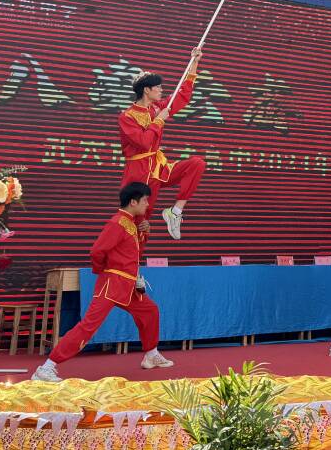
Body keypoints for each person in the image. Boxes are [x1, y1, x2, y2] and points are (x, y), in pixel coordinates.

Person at [33, 183, 171, 382]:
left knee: (150, 311)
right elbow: (97, 251)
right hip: (112, 284)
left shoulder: (130, 223)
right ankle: (46, 367)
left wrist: (145, 233)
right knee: (88, 326)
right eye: (144, 200)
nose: (148, 205)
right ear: (133, 202)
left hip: (127, 285)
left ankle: (151, 354)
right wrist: (103, 271)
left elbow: (132, 252)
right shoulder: (117, 223)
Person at [119, 51, 206, 240]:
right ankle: (131, 258)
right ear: (146, 90)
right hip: (139, 172)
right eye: (157, 87)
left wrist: (194, 63)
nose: (161, 90)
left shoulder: (158, 108)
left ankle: (175, 212)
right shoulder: (127, 116)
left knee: (196, 164)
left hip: (158, 168)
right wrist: (159, 121)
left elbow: (182, 95)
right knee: (139, 224)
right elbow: (143, 142)